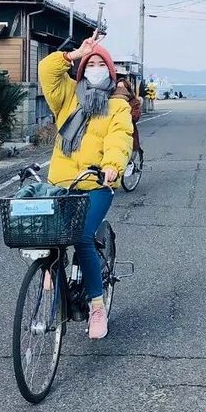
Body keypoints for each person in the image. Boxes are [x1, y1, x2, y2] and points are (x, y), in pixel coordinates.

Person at [38, 31, 133, 339]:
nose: (94, 67)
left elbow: (120, 139)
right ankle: (53, 270)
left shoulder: (117, 107)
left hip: (95, 185)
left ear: (109, 70)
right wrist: (74, 54)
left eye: (99, 63)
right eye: (90, 64)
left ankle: (96, 304)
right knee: (46, 234)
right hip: (61, 182)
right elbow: (46, 71)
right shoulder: (66, 96)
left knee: (80, 236)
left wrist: (111, 167)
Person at [114, 70, 143, 158]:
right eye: (118, 88)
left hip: (130, 136)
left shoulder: (133, 102)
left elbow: (135, 117)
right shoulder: (110, 101)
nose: (120, 90)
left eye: (122, 88)